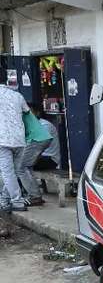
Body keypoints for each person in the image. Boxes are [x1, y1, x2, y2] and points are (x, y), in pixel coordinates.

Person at [0, 76, 29, 212]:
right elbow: (27, 111)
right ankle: (4, 200)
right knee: (13, 172)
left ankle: (17, 201)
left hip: (2, 140)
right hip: (19, 139)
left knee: (7, 173)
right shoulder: (18, 95)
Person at [17, 104, 53, 206]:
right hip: (39, 138)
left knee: (21, 167)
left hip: (36, 139)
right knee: (26, 167)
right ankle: (32, 194)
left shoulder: (12, 111)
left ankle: (35, 196)